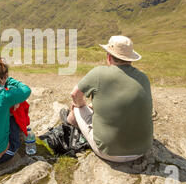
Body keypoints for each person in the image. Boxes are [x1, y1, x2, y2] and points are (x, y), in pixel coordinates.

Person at [64, 35, 153, 163]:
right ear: (130, 59)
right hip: (142, 150)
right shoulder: (143, 78)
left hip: (109, 152)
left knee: (77, 107)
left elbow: (74, 94)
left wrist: (82, 105)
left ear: (109, 57)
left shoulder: (99, 73)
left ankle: (70, 122)